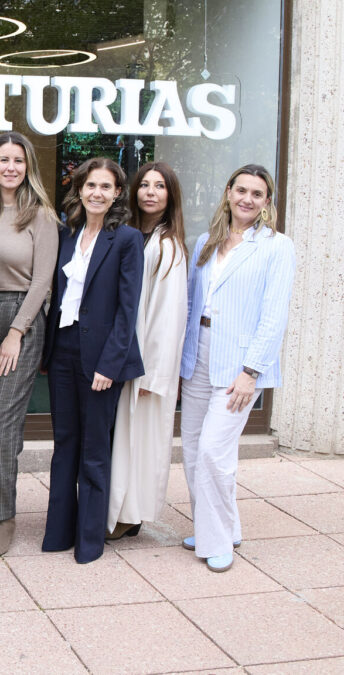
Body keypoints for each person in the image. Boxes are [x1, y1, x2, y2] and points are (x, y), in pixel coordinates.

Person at [180, 164, 295, 572]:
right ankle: (224, 528)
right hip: (199, 355)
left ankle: (216, 542)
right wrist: (182, 359)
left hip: (240, 364)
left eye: (257, 193)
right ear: (228, 192)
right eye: (241, 190)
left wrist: (252, 371)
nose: (247, 198)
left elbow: (274, 315)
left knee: (215, 451)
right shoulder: (204, 242)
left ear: (267, 202)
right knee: (193, 450)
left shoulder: (277, 247)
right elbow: (192, 305)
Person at [41, 157, 144, 564]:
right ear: (79, 189)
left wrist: (110, 364)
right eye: (90, 185)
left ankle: (89, 541)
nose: (97, 193)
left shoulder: (127, 239)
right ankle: (58, 533)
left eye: (106, 186)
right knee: (64, 444)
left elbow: (128, 308)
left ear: (117, 193)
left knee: (94, 449)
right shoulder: (67, 234)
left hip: (102, 357)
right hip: (63, 349)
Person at [0, 132, 59, 558]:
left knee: (1, 424)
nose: (10, 167)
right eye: (3, 159)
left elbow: (43, 281)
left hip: (17, 319)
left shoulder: (39, 214)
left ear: (28, 167)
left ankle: (5, 519)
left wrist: (17, 333)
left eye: (18, 160)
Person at [106, 162, 189, 540]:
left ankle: (130, 515)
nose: (150, 192)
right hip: (117, 353)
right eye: (144, 185)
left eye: (160, 186)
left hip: (144, 363)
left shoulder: (168, 245)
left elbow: (168, 318)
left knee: (139, 442)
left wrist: (151, 372)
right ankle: (115, 510)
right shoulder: (125, 234)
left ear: (171, 196)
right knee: (119, 440)